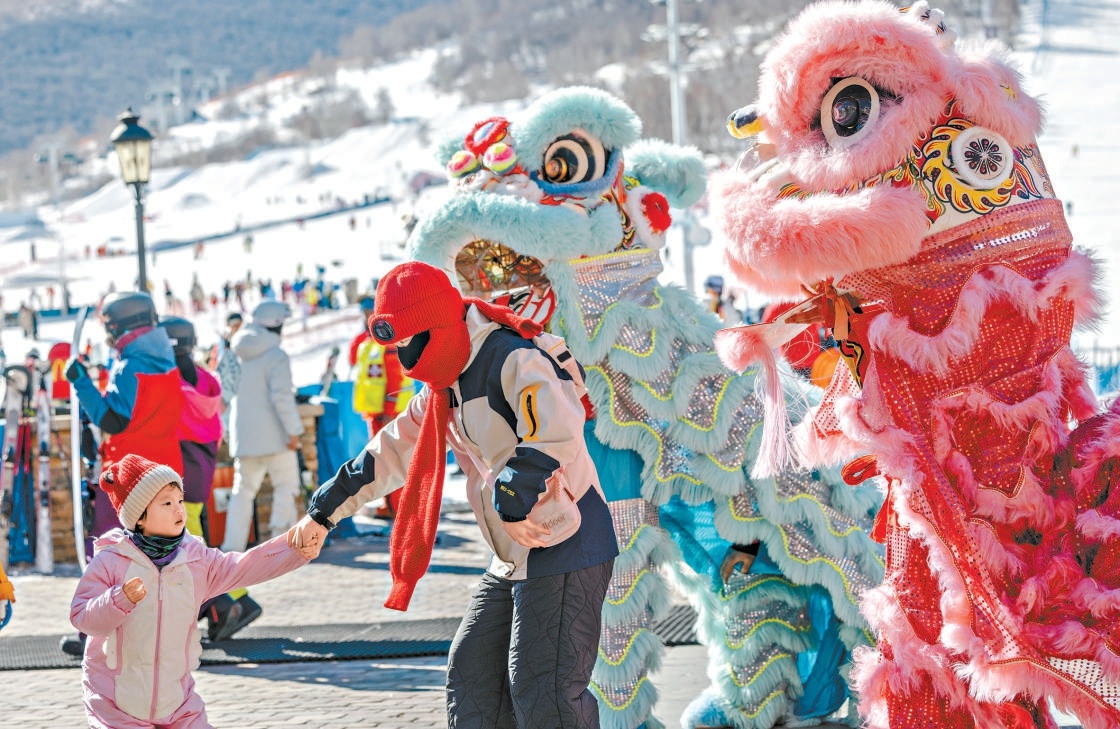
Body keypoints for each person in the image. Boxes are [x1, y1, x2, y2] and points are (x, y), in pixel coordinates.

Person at [292, 261, 618, 728]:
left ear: (436, 327)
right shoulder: (443, 385)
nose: (405, 357)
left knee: (544, 693)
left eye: (410, 341)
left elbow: (556, 432)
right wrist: (324, 511)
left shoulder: (509, 358)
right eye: (397, 346)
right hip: (511, 552)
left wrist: (512, 500)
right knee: (474, 683)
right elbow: (389, 452)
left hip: (564, 540)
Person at [70, 454, 308, 729]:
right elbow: (81, 616)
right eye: (167, 503)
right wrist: (118, 600)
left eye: (180, 501)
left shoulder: (195, 559)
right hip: (116, 702)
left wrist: (297, 547)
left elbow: (246, 566)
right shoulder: (111, 560)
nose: (178, 510)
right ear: (139, 517)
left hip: (178, 704)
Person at [62, 291, 186, 657]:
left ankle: (96, 636)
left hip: (129, 478)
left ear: (120, 326)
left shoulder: (131, 365)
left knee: (109, 553)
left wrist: (80, 382)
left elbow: (114, 419)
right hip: (164, 471)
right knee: (160, 557)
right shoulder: (166, 360)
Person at [222, 300, 303, 553]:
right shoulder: (276, 355)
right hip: (276, 438)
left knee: (242, 493)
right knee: (286, 486)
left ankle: (231, 549)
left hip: (243, 438)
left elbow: (225, 393)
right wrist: (293, 431)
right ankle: (280, 547)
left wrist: (229, 433)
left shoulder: (234, 352)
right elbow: (282, 398)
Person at [347, 295, 413, 518]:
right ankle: (390, 505)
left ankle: (399, 508)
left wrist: (389, 411)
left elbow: (395, 378)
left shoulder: (389, 341)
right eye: (363, 311)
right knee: (381, 462)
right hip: (374, 413)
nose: (365, 315)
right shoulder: (367, 342)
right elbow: (353, 360)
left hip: (389, 413)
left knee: (391, 461)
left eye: (369, 310)